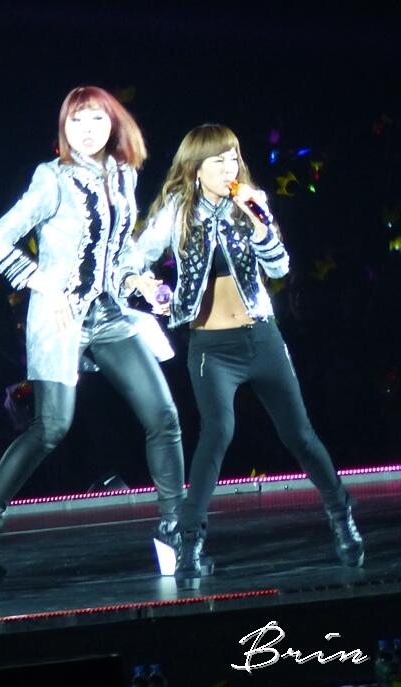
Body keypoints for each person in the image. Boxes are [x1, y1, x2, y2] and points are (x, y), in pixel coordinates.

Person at [0, 86, 184, 582]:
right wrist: (42, 283)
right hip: (59, 317)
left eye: (96, 119)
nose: (87, 130)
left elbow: (118, 253)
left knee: (163, 416)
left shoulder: (124, 175)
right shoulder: (51, 179)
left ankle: (175, 532)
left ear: (113, 124)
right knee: (51, 427)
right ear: (64, 129)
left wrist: (139, 280)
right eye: (77, 121)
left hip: (109, 314)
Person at [131, 122, 364, 590]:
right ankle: (190, 543)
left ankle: (341, 514)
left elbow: (279, 268)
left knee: (299, 434)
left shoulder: (251, 202)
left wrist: (260, 225)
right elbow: (133, 260)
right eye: (217, 160)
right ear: (196, 168)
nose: (228, 168)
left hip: (261, 338)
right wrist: (148, 287)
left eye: (233, 158)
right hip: (210, 347)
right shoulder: (178, 211)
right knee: (217, 432)